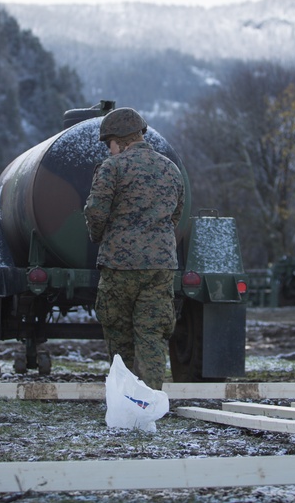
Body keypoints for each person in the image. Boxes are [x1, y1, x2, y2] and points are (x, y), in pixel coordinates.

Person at [84, 107, 185, 390]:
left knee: (119, 334)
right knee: (152, 335)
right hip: (161, 265)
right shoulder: (171, 168)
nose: (110, 150)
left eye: (109, 145)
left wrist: (100, 237)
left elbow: (96, 213)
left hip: (120, 266)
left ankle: (125, 398)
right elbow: (176, 213)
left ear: (119, 140)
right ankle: (149, 401)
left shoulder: (113, 168)